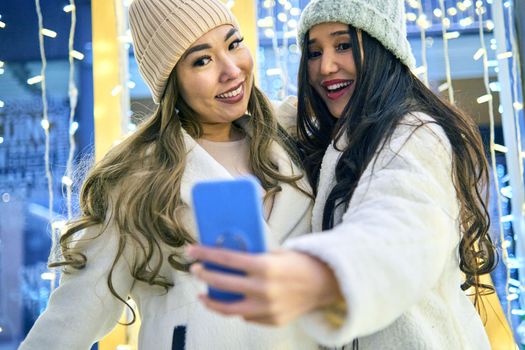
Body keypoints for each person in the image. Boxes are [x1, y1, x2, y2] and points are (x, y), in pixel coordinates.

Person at [187, 0, 497, 349]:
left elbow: (401, 227)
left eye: (344, 45)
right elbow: (266, 114)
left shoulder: (413, 135)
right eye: (315, 52)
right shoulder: (336, 136)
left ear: (382, 48)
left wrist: (323, 276)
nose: (326, 67)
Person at [18, 0, 316, 349]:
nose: (231, 70)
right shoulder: (137, 181)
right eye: (201, 60)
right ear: (172, 81)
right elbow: (66, 326)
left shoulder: (297, 136)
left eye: (234, 44)